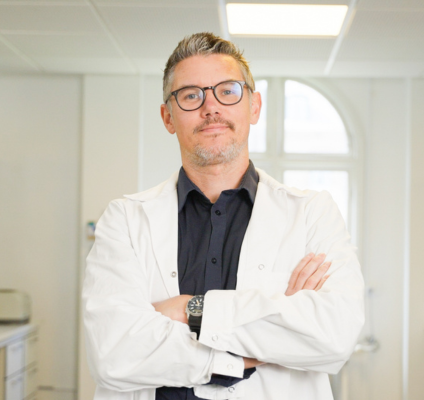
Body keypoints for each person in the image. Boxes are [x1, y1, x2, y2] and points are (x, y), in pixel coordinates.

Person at [83, 32, 364, 400]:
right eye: (191, 95)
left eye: (227, 91)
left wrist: (190, 309)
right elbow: (113, 352)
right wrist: (253, 347)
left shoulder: (312, 212)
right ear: (168, 117)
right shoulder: (124, 219)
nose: (210, 107)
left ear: (254, 106)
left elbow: (333, 334)